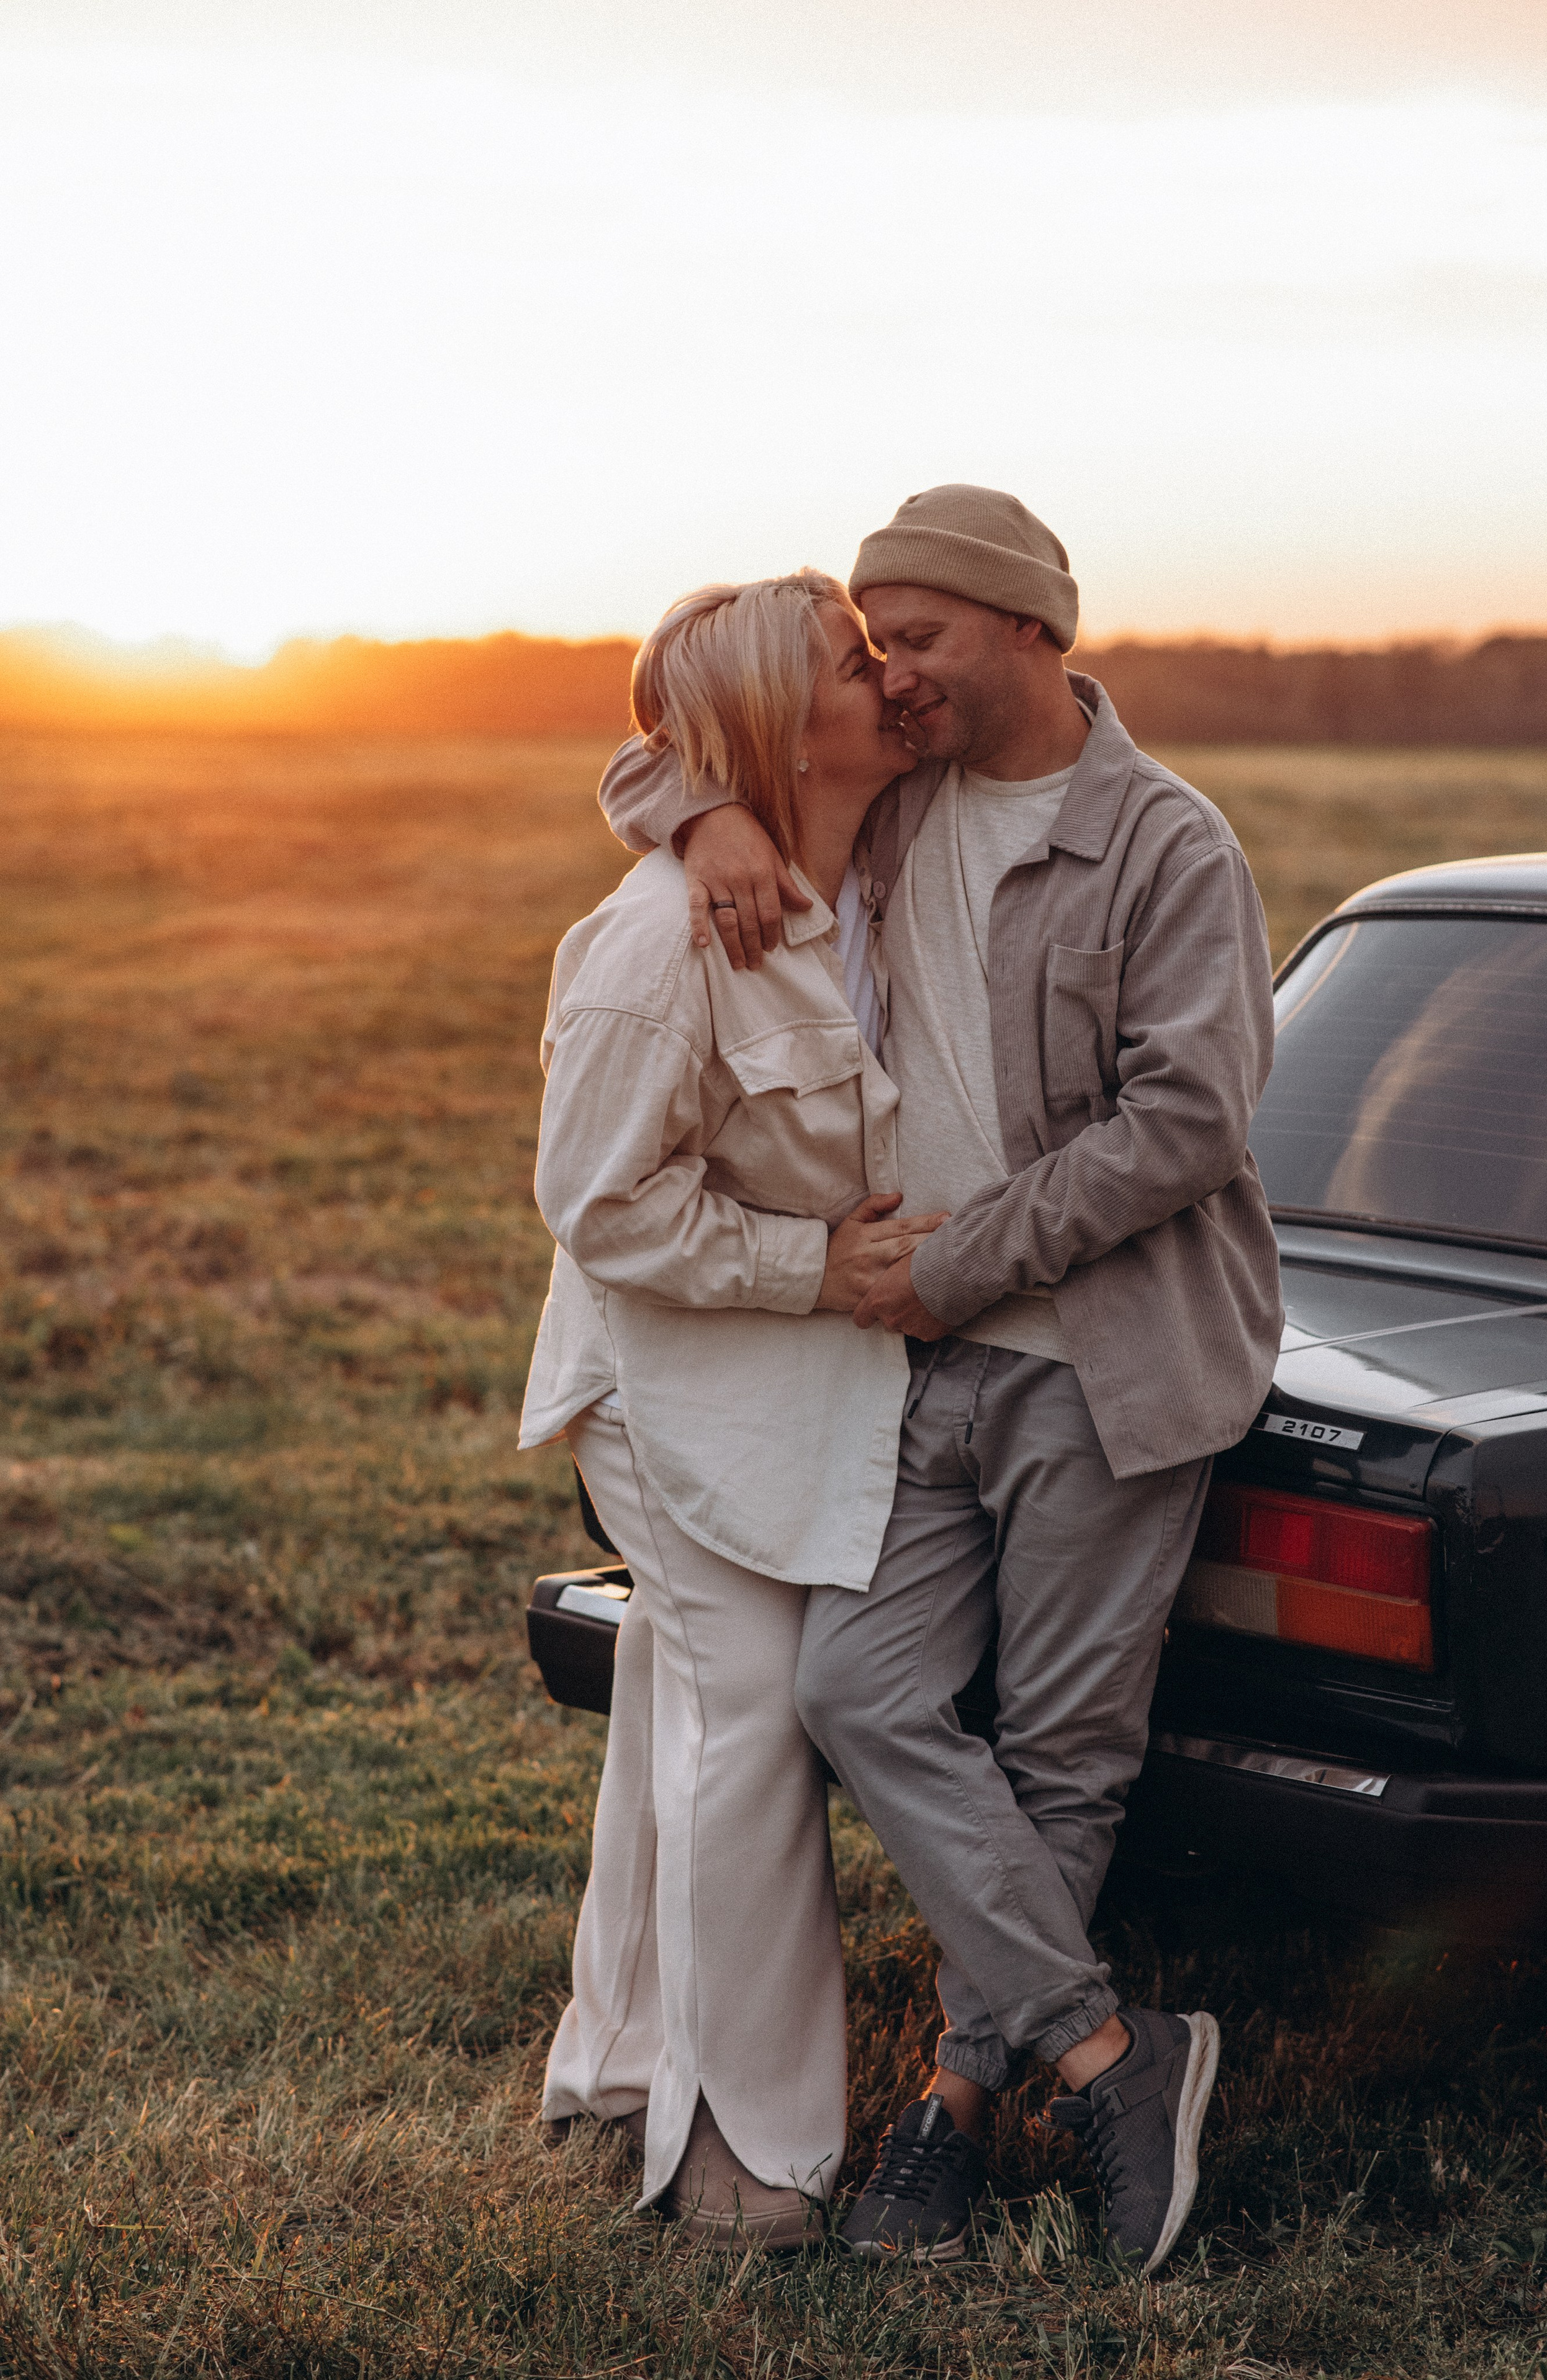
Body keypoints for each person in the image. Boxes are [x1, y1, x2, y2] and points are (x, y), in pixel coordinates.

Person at [597, 485, 1285, 2272]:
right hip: (919, 1372)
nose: (890, 673)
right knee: (858, 1689)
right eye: (874, 644)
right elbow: (668, 746)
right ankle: (1120, 2056)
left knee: (1060, 1755)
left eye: (920, 639)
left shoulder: (1165, 844)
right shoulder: (896, 799)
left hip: (1108, 1366)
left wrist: (960, 1263)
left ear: (1030, 630)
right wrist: (705, 816)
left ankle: (957, 2111)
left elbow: (1189, 1125)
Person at [519, 569, 945, 2248]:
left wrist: (697, 801)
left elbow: (663, 745)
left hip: (790, 1381)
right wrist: (811, 1269)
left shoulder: (871, 861)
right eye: (854, 662)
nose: (889, 678)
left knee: (679, 1693)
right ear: (783, 722)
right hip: (668, 1382)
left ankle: (619, 2061)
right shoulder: (660, 945)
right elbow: (601, 1208)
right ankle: (744, 2152)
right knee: (751, 1706)